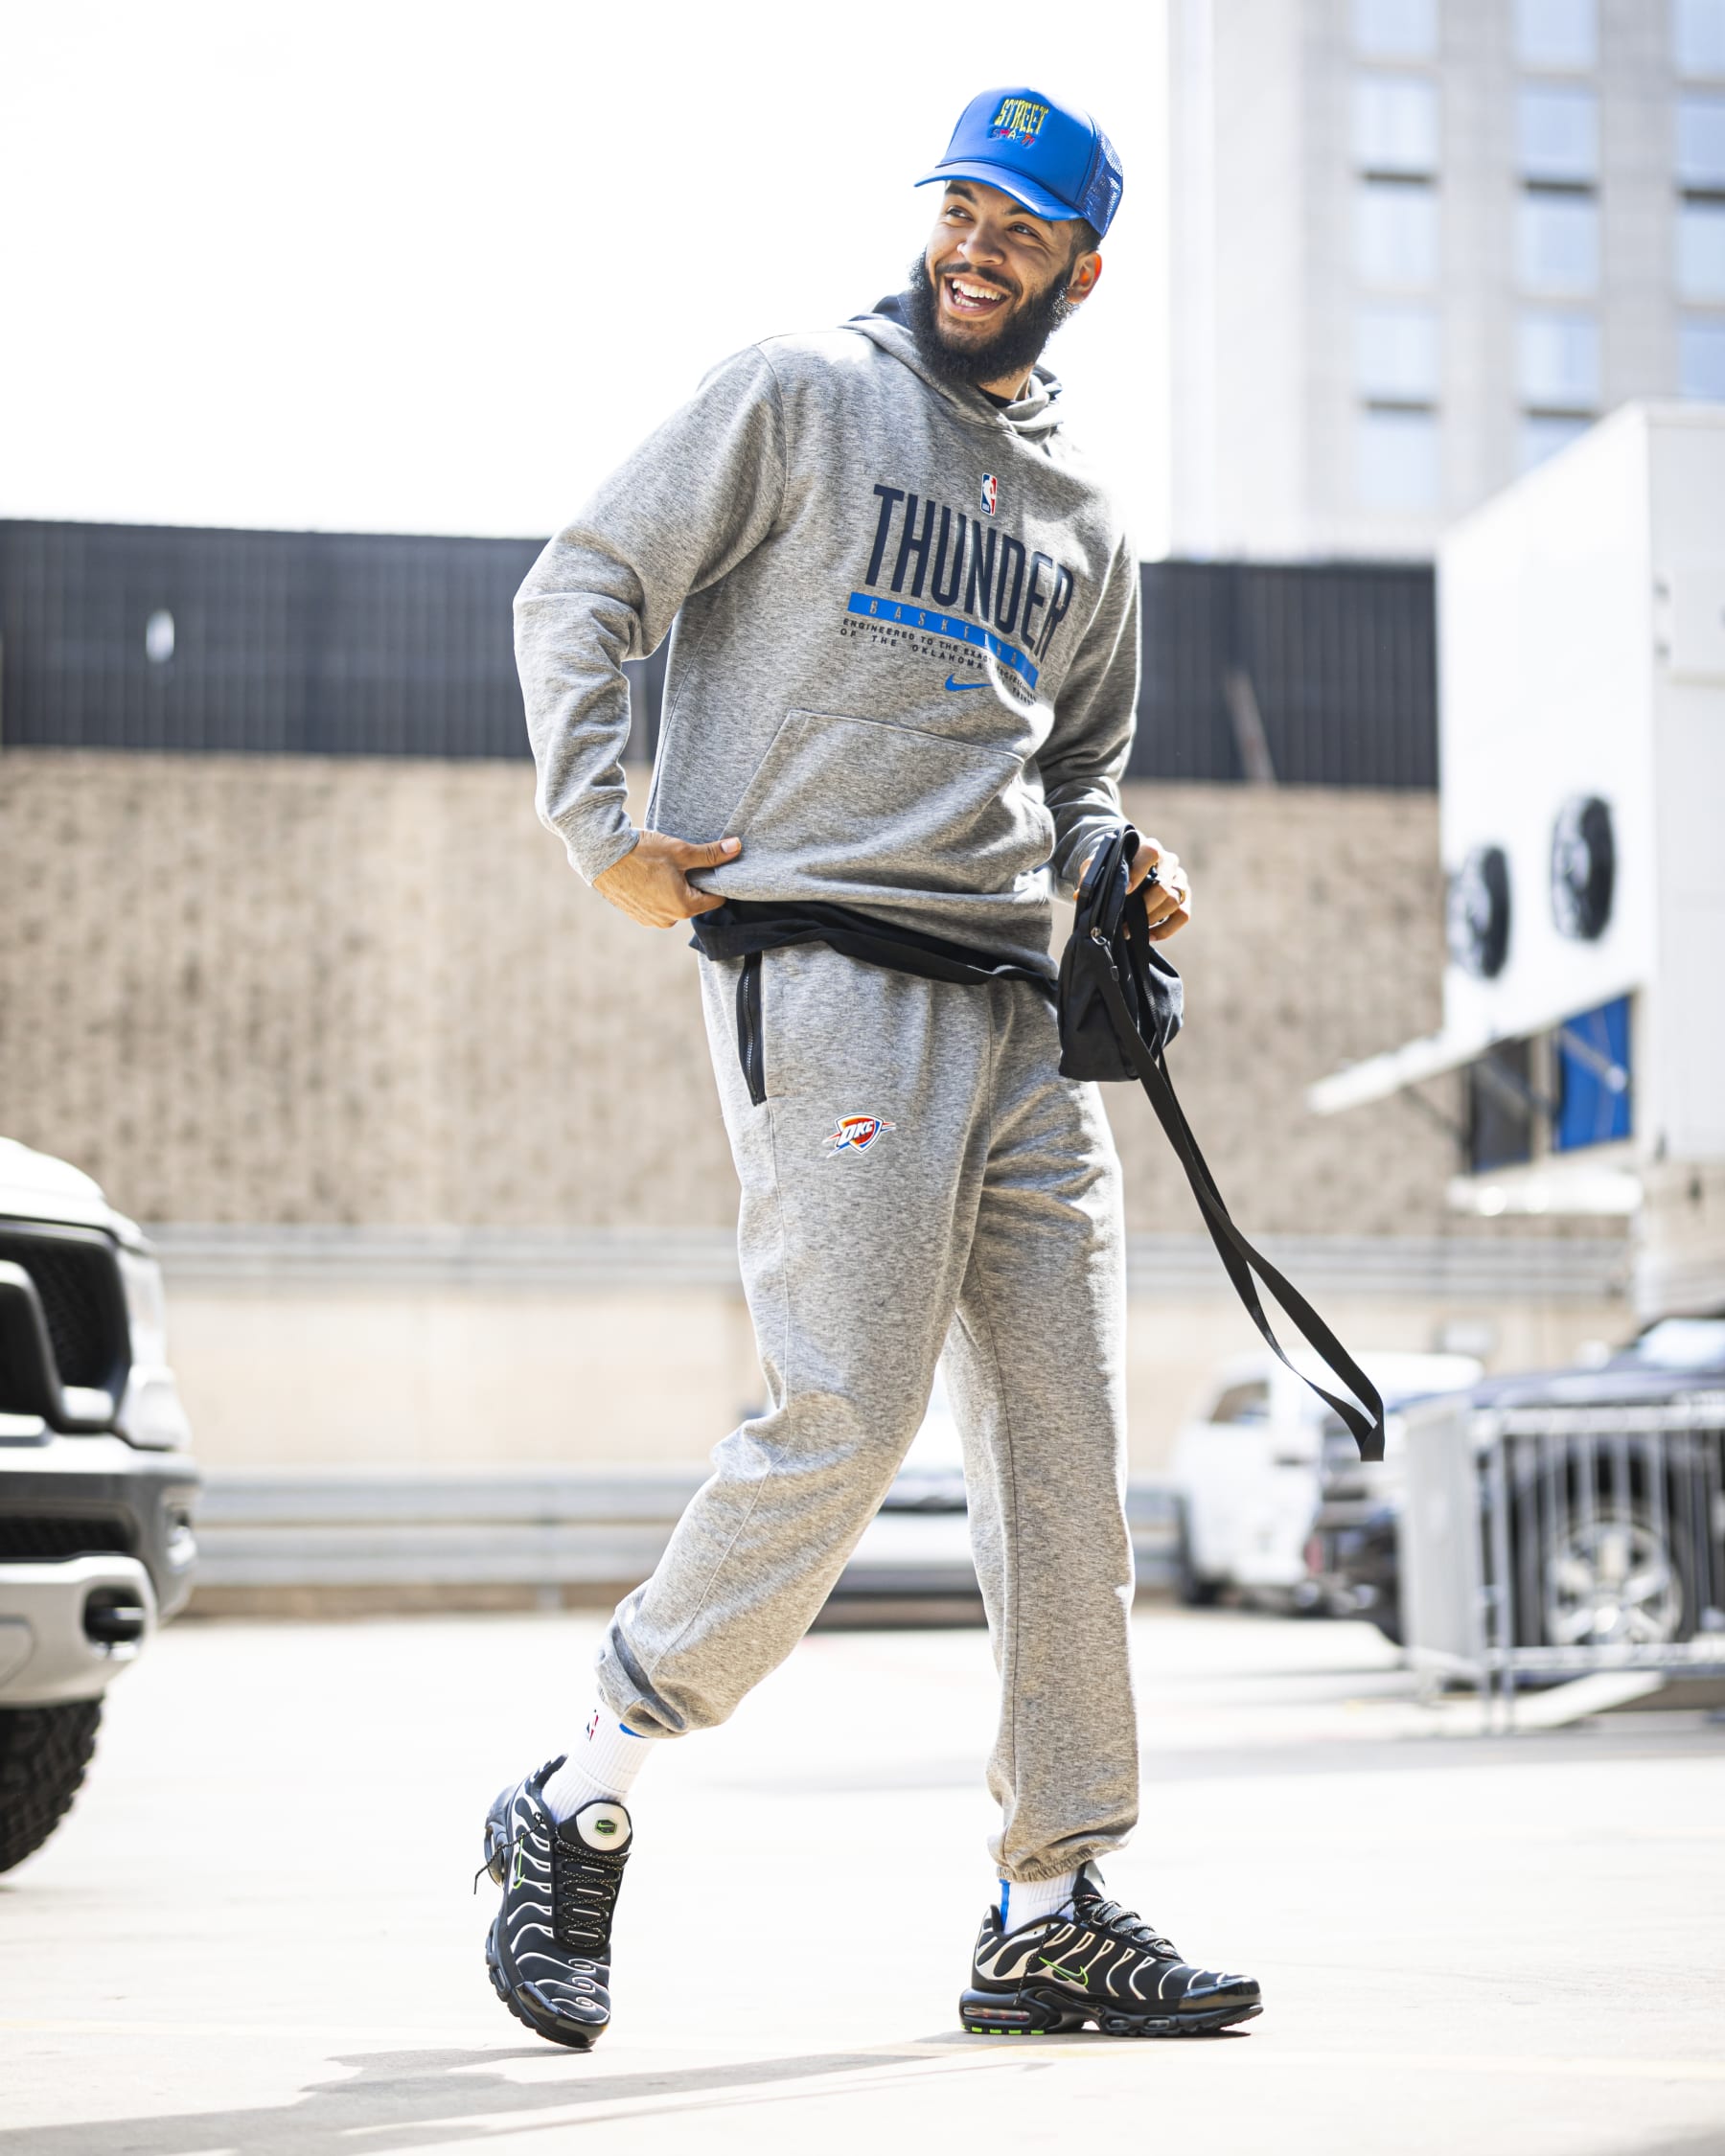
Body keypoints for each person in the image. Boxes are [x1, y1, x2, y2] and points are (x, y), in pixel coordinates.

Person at [486, 85, 1262, 2049]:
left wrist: (1120, 856)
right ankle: (582, 1789)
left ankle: (1052, 1896)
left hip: (1025, 1024)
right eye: (963, 208)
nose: (979, 243)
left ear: (1085, 267)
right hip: (827, 972)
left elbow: (1072, 762)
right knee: (843, 1410)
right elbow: (584, 578)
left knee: (1066, 1458)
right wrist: (607, 829)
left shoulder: (1087, 523)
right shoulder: (799, 393)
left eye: (1024, 226)